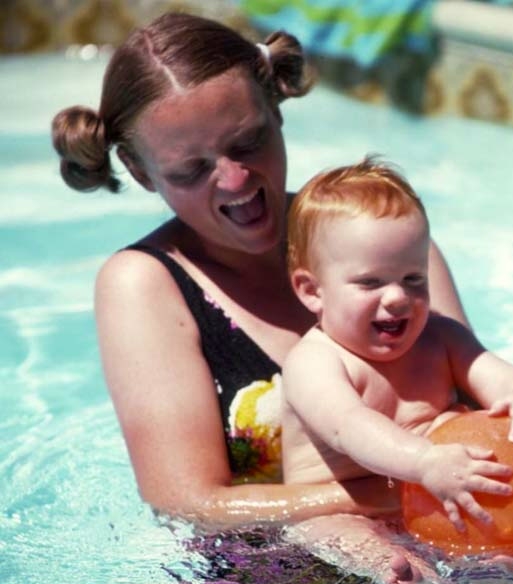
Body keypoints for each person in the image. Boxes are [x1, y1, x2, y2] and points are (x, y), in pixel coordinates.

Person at [50, 13, 469, 529]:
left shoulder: (387, 243)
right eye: (191, 170)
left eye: (248, 143)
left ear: (276, 108)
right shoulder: (145, 285)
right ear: (142, 174)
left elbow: (481, 414)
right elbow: (190, 502)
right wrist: (403, 489)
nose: (233, 180)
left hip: (449, 540)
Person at [280, 157, 513, 584]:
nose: (398, 298)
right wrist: (424, 462)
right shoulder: (314, 363)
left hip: (442, 501)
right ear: (312, 291)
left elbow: (500, 375)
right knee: (354, 541)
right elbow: (350, 427)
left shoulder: (440, 337)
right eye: (371, 283)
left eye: (413, 279)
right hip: (354, 511)